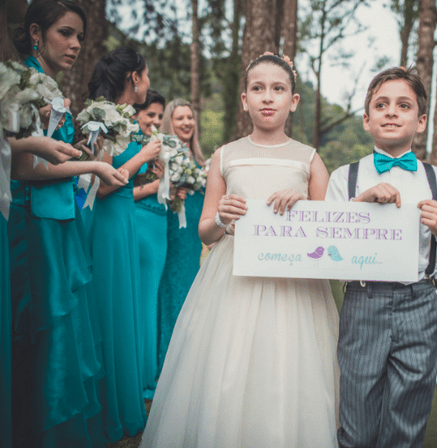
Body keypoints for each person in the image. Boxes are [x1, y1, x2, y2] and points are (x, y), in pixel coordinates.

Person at [140, 53, 340, 447]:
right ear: (244, 99)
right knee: (227, 367)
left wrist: (306, 210)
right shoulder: (225, 155)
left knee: (287, 364)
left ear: (293, 101)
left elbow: (328, 234)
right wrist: (221, 219)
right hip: (233, 277)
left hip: (294, 284)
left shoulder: (310, 160)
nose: (268, 97)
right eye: (258, 88)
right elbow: (205, 232)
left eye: (278, 89)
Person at [6, 2, 130, 446]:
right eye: (66, 33)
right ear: (35, 32)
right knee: (45, 333)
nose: (77, 45)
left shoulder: (49, 88)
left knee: (62, 334)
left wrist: (87, 153)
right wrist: (91, 170)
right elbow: (24, 168)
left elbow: (48, 157)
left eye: (79, 35)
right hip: (33, 225)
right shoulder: (19, 85)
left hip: (59, 220)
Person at [325, 66, 437, 448]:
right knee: (356, 418)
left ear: (420, 121)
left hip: (420, 303)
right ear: (366, 119)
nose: (391, 112)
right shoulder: (344, 178)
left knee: (407, 422)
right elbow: (328, 253)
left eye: (403, 106)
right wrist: (359, 206)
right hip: (363, 301)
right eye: (381, 105)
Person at [83, 46, 161, 442]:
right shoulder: (103, 116)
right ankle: (109, 408)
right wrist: (143, 154)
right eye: (145, 76)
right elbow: (103, 179)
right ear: (134, 77)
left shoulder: (125, 119)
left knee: (126, 308)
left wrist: (149, 165)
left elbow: (125, 174)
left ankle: (126, 404)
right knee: (112, 309)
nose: (148, 83)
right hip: (108, 224)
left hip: (126, 222)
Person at [155, 98, 206, 376]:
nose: (187, 123)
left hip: (195, 229)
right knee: (174, 285)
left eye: (190, 118)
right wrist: (172, 187)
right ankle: (168, 361)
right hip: (177, 226)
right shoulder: (164, 153)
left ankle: (189, 358)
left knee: (192, 288)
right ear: (169, 123)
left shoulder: (196, 157)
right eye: (180, 118)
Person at [131, 90, 167, 399]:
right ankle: (137, 375)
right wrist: (156, 186)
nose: (154, 120)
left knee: (151, 298)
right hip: (137, 222)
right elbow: (115, 193)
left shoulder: (158, 149)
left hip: (159, 224)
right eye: (150, 114)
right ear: (136, 113)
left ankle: (149, 371)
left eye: (159, 115)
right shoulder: (130, 145)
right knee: (139, 300)